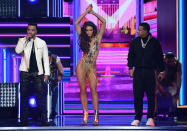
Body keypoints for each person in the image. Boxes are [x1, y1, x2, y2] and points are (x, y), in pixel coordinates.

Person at [127, 22, 165, 126]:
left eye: (140, 30)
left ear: (146, 31)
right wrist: (130, 68)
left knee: (150, 95)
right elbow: (131, 56)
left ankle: (150, 117)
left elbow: (159, 57)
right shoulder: (134, 42)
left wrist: (161, 71)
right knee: (137, 95)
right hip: (138, 71)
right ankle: (137, 117)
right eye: (138, 29)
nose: (138, 31)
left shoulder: (155, 43)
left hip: (150, 71)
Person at [75, 4, 106, 126]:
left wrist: (92, 13)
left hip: (92, 67)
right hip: (82, 65)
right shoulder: (82, 37)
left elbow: (103, 22)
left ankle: (96, 116)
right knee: (82, 89)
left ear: (94, 30)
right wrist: (85, 12)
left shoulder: (98, 37)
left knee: (94, 90)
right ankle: (85, 115)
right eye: (86, 30)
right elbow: (77, 23)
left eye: (90, 30)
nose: (88, 32)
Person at [15, 23, 50, 126]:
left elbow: (45, 59)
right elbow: (17, 51)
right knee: (24, 95)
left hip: (38, 72)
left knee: (41, 95)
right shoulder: (22, 40)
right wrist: (25, 39)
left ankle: (44, 119)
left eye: (32, 30)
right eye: (29, 30)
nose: (30, 32)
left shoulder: (42, 42)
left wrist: (46, 73)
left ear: (36, 31)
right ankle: (24, 119)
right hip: (25, 71)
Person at [155, 52, 182, 119]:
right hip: (160, 82)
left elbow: (179, 78)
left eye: (172, 61)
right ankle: (156, 112)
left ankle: (172, 112)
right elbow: (155, 79)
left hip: (171, 83)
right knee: (156, 94)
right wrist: (162, 90)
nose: (170, 63)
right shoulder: (159, 62)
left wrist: (177, 92)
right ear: (165, 59)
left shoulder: (178, 64)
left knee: (173, 94)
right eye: (168, 61)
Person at [48, 51, 64, 120]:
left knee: (55, 91)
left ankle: (53, 111)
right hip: (45, 78)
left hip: (54, 78)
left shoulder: (56, 58)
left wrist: (58, 78)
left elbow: (61, 71)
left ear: (50, 57)